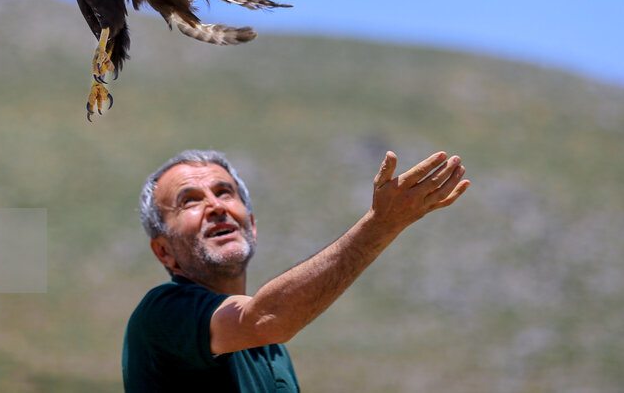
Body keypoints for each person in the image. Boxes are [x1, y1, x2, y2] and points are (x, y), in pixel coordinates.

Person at [122, 148, 470, 392]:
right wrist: (380, 226)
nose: (215, 206)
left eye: (224, 192)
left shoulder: (271, 352)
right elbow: (265, 319)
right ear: (164, 251)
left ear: (252, 226)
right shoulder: (162, 314)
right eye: (190, 200)